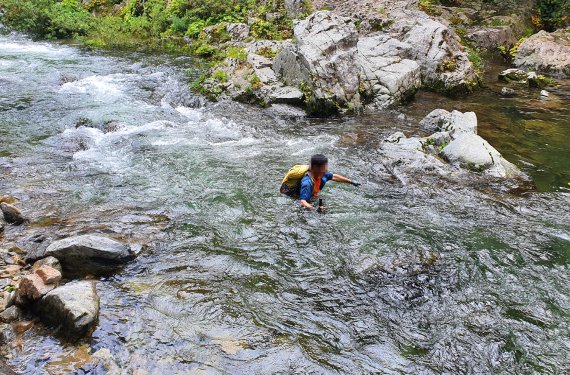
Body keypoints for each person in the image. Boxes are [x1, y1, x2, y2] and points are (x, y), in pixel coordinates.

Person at [280, 154, 361, 211]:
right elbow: (302, 201)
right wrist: (314, 209)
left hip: (312, 197)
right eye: (324, 167)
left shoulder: (321, 174)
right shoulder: (307, 182)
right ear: (315, 168)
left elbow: (333, 176)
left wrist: (351, 182)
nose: (326, 169)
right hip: (301, 202)